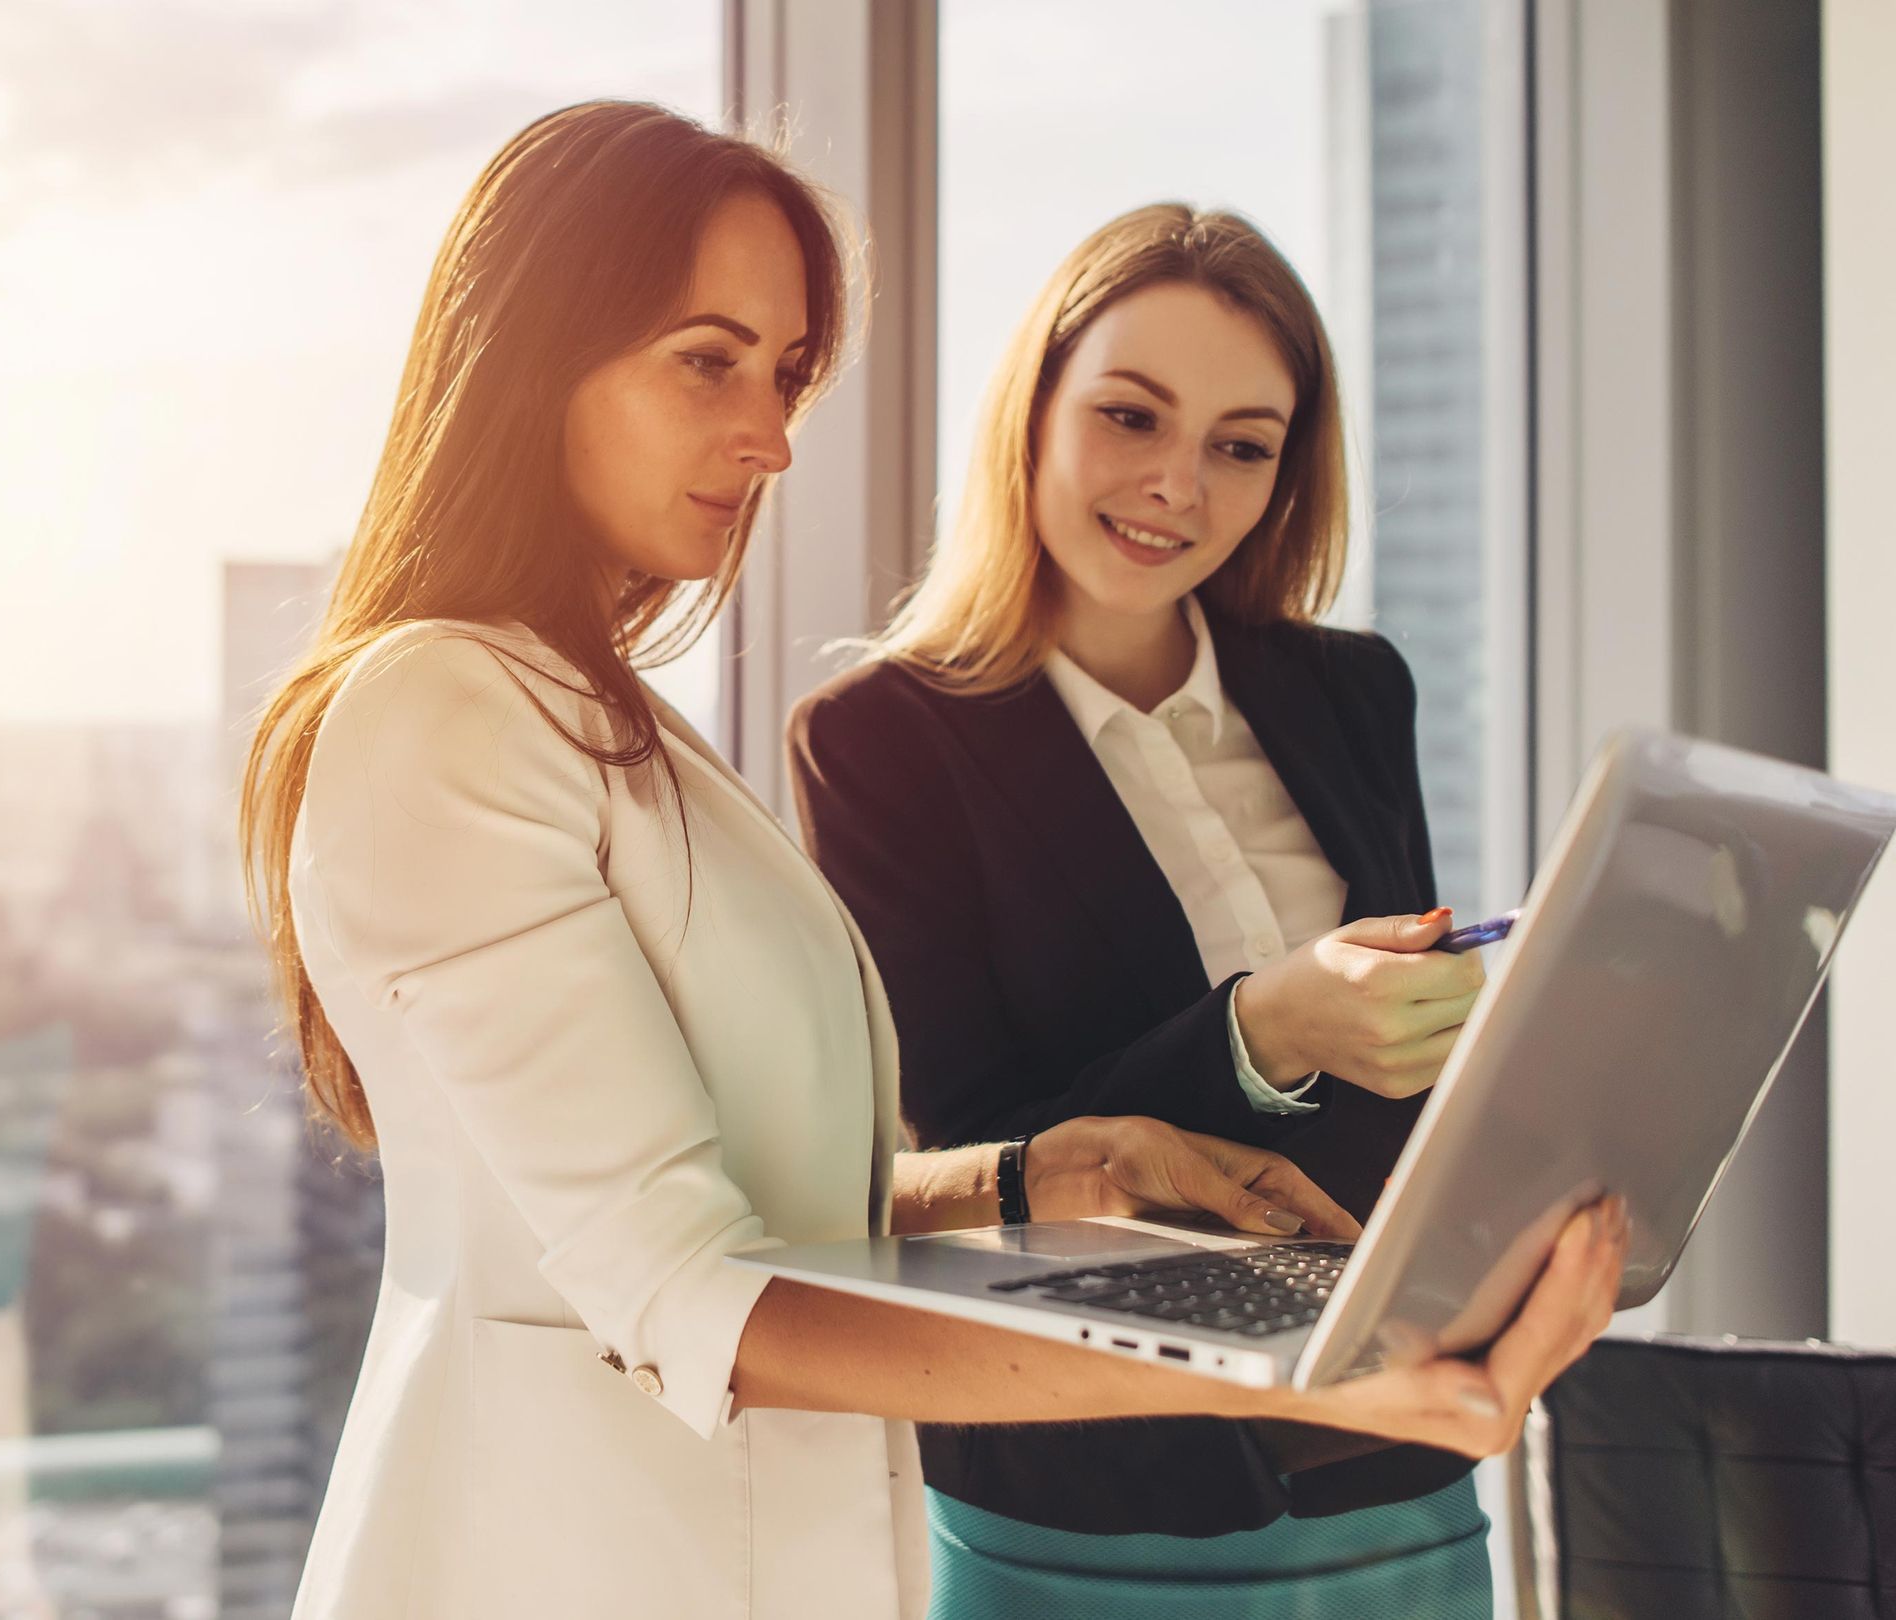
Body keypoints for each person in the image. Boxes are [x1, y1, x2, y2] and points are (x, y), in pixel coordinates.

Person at [240, 107, 1624, 1620]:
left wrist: (1066, 1172)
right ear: (525, 349)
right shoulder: (442, 705)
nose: (771, 436)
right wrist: (1298, 1363)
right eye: (709, 359)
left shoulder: (620, 729)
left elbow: (782, 1200)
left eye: (784, 375)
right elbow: (697, 1293)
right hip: (575, 1563)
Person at [789, 203, 1515, 1617]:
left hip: (1389, 1461)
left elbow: (1396, 1103)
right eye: (1132, 417)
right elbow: (981, 1149)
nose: (1178, 484)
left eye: (1241, 446)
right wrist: (1265, 1030)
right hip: (1097, 1501)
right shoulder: (881, 739)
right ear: (1036, 410)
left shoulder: (1352, 692)